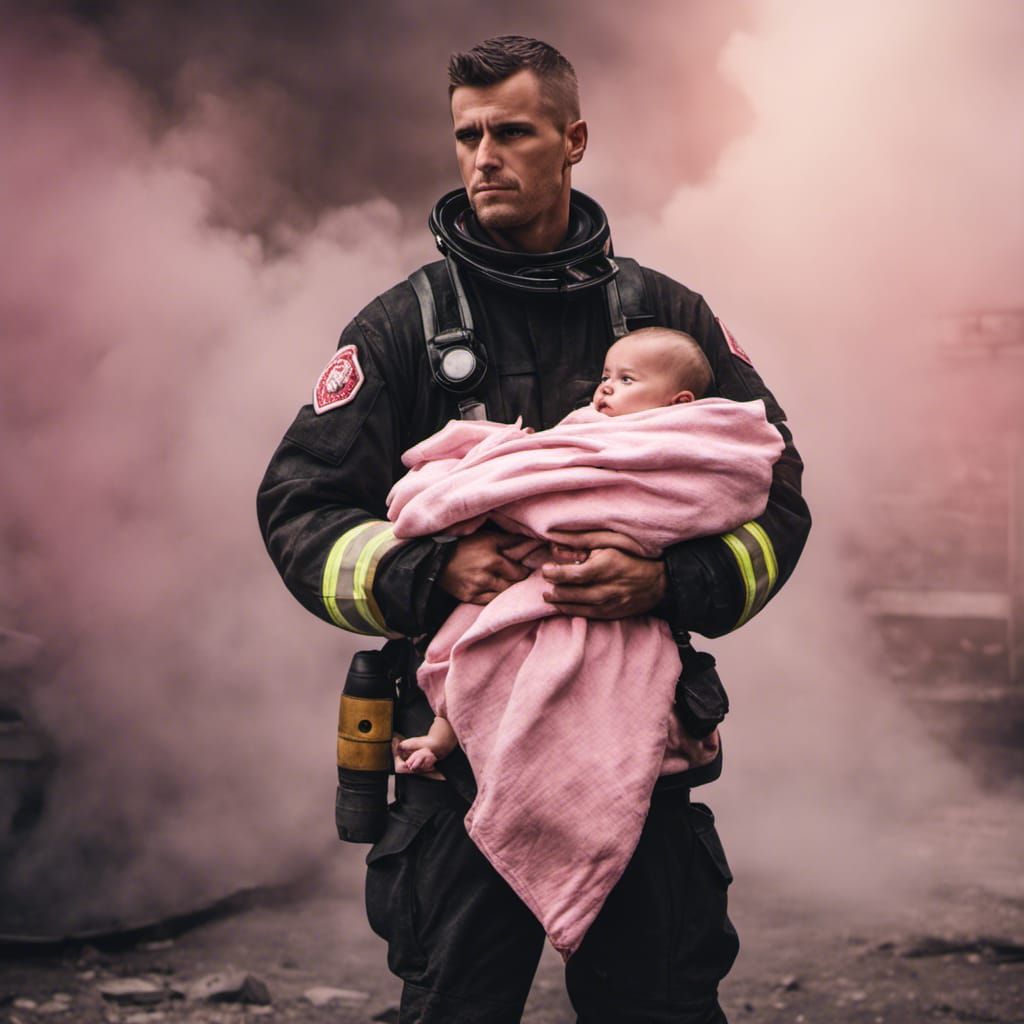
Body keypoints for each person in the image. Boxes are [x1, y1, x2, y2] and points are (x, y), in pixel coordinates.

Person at [258, 35, 810, 1024]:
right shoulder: (401, 327)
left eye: (511, 132)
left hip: (632, 745)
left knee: (658, 1008)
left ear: (573, 140)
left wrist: (670, 582)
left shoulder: (665, 317)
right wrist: (432, 568)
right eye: (467, 135)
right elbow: (300, 507)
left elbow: (776, 494)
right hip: (463, 761)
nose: (484, 156)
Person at [397, 325, 718, 776]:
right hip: (533, 565)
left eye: (626, 380)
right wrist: (441, 557)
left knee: (607, 671)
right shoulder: (585, 426)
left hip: (612, 598)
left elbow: (699, 498)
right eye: (605, 376)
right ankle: (443, 731)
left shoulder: (689, 445)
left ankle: (614, 760)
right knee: (475, 638)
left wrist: (662, 576)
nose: (606, 388)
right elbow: (550, 463)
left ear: (678, 403)